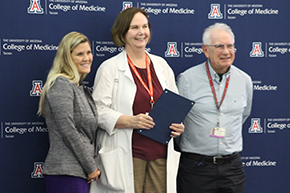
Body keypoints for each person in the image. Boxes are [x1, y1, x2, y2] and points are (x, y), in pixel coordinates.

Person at [90, 7, 184, 193]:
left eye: (145, 26)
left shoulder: (162, 65)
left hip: (160, 155)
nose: (141, 32)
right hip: (128, 154)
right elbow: (97, 111)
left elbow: (175, 105)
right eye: (134, 27)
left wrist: (178, 125)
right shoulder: (110, 68)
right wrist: (129, 120)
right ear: (123, 33)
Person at [176, 23, 253, 193]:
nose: (226, 52)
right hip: (196, 168)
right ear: (205, 50)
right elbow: (175, 120)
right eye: (219, 46)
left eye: (230, 46)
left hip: (232, 169)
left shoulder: (244, 80)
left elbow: (244, 115)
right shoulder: (187, 79)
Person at [38, 31, 101, 193]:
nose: (86, 58)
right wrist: (91, 167)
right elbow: (68, 130)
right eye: (79, 54)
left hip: (80, 174)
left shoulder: (80, 87)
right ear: (67, 57)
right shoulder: (61, 83)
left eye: (88, 52)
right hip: (65, 173)